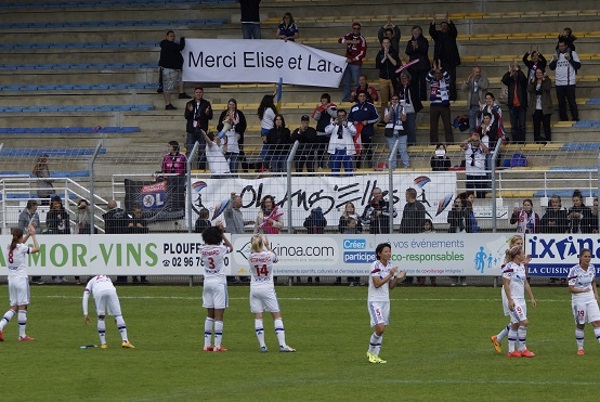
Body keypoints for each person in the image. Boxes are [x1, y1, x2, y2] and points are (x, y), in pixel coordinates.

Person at [248, 234, 295, 352]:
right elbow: (276, 258)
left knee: (258, 316)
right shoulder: (269, 255)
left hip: (254, 288)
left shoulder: (250, 257)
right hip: (267, 288)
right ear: (262, 244)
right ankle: (282, 345)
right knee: (276, 316)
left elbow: (255, 251)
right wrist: (268, 245)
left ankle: (263, 345)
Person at [366, 242, 405, 364]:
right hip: (375, 301)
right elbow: (377, 284)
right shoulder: (375, 265)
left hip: (385, 301)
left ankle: (375, 356)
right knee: (380, 329)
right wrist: (391, 274)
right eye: (386, 251)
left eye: (389, 251)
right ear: (379, 254)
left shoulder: (390, 265)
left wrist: (397, 279)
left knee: (382, 329)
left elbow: (390, 287)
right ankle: (370, 351)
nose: (389, 253)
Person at [0, 226, 40, 342]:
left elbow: (20, 244)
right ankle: (22, 335)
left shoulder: (9, 247)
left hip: (11, 279)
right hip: (21, 279)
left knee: (14, 307)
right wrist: (33, 235)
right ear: (20, 236)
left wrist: (27, 234)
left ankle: (0, 326)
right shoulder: (21, 247)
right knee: (22, 307)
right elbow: (37, 249)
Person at [200, 225, 233, 352]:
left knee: (210, 315)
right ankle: (217, 346)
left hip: (207, 282)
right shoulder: (220, 249)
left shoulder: (201, 249)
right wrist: (223, 234)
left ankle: (206, 344)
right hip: (219, 282)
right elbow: (231, 247)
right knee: (219, 315)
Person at [490, 235, 524, 354]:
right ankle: (516, 348)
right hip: (509, 291)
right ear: (511, 245)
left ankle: (498, 338)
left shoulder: (520, 259)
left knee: (517, 320)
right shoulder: (506, 258)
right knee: (517, 320)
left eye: (521, 244)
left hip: (517, 291)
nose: (520, 246)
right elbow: (504, 272)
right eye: (517, 243)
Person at [502, 244, 536, 358]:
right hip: (514, 300)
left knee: (515, 324)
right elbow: (505, 283)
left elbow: (525, 283)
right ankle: (523, 349)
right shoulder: (509, 267)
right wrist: (510, 300)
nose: (524, 255)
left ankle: (511, 351)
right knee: (524, 322)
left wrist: (531, 297)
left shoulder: (521, 266)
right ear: (517, 256)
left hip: (522, 300)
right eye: (522, 253)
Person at [82, 275, 135, 349]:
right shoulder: (106, 277)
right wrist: (115, 316)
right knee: (118, 315)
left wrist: (85, 313)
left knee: (101, 317)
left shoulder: (90, 282)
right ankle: (125, 341)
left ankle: (104, 344)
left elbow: (85, 296)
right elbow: (109, 289)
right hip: (111, 290)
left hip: (99, 292)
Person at [567, 248, 600, 356]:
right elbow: (570, 288)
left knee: (597, 322)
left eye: (589, 256)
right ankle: (580, 348)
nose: (587, 258)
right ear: (580, 257)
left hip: (590, 298)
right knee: (581, 324)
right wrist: (582, 290)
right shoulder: (574, 270)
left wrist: (595, 293)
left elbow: (593, 281)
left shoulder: (592, 268)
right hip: (579, 299)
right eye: (585, 256)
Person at [429, 13, 460, 101]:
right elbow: (431, 32)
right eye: (442, 26)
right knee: (439, 80)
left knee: (451, 80)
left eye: (445, 26)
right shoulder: (437, 35)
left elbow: (454, 30)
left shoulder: (451, 34)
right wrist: (433, 21)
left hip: (451, 62)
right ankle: (441, 96)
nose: (444, 27)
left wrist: (448, 21)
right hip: (440, 62)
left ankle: (453, 97)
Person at [549, 39, 581, 121]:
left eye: (562, 46)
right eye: (560, 46)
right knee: (561, 103)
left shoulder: (572, 53)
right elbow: (551, 67)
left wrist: (570, 59)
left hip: (569, 82)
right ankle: (563, 119)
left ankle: (575, 117)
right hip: (559, 83)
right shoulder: (556, 54)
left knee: (571, 102)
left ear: (566, 46)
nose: (561, 48)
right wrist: (555, 60)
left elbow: (578, 66)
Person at [158, 30, 188, 110]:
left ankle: (181, 93)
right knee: (168, 87)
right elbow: (180, 47)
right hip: (168, 69)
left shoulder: (170, 44)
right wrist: (182, 40)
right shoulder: (166, 44)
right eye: (171, 36)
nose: (173, 38)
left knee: (181, 79)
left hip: (176, 68)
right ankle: (168, 104)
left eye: (173, 36)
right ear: (167, 37)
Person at [348, 90, 379, 168]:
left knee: (368, 148)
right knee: (357, 148)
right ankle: (357, 166)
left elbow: (376, 118)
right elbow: (349, 118)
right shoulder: (353, 107)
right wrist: (353, 121)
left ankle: (370, 165)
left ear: (366, 97)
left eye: (363, 96)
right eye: (360, 96)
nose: (362, 97)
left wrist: (368, 122)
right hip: (357, 132)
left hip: (367, 131)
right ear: (358, 97)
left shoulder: (371, 106)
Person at [184, 86, 213, 170]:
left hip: (202, 130)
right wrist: (190, 111)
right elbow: (186, 116)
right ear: (194, 93)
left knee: (202, 150)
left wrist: (207, 113)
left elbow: (210, 116)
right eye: (197, 92)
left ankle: (201, 169)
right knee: (189, 150)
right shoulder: (189, 103)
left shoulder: (206, 103)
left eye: (200, 92)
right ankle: (187, 169)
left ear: (202, 93)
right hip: (191, 130)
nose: (198, 94)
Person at [338, 21, 367, 103]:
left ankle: (356, 100)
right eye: (354, 28)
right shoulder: (349, 35)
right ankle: (346, 99)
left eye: (358, 28)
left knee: (356, 82)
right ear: (352, 28)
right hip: (347, 62)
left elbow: (362, 53)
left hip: (356, 64)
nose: (356, 30)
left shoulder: (362, 39)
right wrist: (351, 42)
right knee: (346, 82)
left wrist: (353, 59)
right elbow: (340, 40)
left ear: (360, 29)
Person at [216, 98, 247, 174]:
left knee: (236, 163)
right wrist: (225, 121)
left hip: (236, 144)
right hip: (225, 146)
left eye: (233, 104)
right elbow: (219, 128)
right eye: (230, 104)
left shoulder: (239, 113)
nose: (231, 106)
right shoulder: (224, 113)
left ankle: (245, 169)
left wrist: (233, 119)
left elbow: (242, 127)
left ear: (235, 105)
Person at [427, 60, 453, 144]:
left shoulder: (446, 81)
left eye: (439, 73)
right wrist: (433, 69)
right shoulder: (432, 81)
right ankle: (434, 143)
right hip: (434, 105)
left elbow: (447, 76)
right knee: (433, 126)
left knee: (447, 125)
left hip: (444, 106)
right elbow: (427, 78)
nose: (438, 75)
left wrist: (441, 68)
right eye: (436, 73)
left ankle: (450, 143)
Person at [103, 200, 129, 283]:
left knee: (118, 260)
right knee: (123, 259)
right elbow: (128, 222)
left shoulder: (108, 215)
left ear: (108, 206)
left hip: (114, 239)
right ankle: (123, 278)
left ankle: (119, 278)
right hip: (124, 238)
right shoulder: (123, 213)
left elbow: (108, 228)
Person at [501, 63, 528, 143]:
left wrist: (518, 70)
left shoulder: (522, 82)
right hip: (512, 106)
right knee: (514, 126)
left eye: (516, 71)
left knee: (522, 126)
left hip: (521, 106)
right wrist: (509, 72)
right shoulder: (510, 81)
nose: (515, 73)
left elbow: (523, 78)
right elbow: (504, 80)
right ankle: (515, 141)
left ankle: (522, 142)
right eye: (514, 71)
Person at [18, 199, 43, 285]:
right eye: (35, 205)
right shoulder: (22, 215)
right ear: (31, 206)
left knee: (36, 258)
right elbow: (20, 228)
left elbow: (39, 227)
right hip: (26, 238)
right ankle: (26, 277)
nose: (37, 207)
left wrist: (35, 231)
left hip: (34, 237)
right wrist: (28, 231)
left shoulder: (36, 215)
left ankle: (36, 277)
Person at [325, 108, 356, 176]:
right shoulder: (333, 123)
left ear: (346, 116)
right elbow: (326, 131)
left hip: (346, 149)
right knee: (335, 170)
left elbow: (354, 132)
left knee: (349, 170)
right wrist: (334, 124)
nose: (341, 118)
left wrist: (346, 125)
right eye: (339, 116)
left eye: (343, 116)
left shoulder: (349, 124)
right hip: (335, 149)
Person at [46, 195, 70, 283]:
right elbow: (48, 224)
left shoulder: (64, 213)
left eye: (58, 203)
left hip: (63, 235)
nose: (57, 205)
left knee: (62, 257)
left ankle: (62, 275)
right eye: (55, 203)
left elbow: (67, 224)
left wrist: (68, 234)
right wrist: (57, 219)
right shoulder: (50, 213)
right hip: (54, 236)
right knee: (55, 257)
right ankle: (54, 276)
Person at [338, 202, 363, 286]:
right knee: (349, 261)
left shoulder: (357, 216)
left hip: (356, 243)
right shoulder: (343, 217)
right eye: (348, 207)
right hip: (348, 243)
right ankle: (350, 279)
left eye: (351, 207)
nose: (349, 208)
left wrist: (356, 222)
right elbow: (340, 229)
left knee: (357, 262)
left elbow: (360, 228)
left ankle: (357, 279)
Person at [405, 25, 431, 101]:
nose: (415, 32)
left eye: (417, 31)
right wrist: (413, 48)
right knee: (414, 83)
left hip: (423, 65)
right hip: (413, 66)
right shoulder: (410, 41)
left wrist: (417, 47)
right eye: (414, 31)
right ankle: (415, 99)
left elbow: (424, 51)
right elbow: (407, 51)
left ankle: (423, 99)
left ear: (420, 32)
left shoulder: (424, 40)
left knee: (423, 83)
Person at [376, 38, 399, 121]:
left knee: (394, 99)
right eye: (384, 43)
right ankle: (383, 119)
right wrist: (384, 57)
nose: (386, 44)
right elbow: (378, 65)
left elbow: (395, 63)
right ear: (382, 44)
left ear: (390, 44)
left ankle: (395, 117)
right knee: (384, 101)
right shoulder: (379, 54)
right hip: (383, 78)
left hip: (392, 78)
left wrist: (388, 55)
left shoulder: (394, 52)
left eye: (387, 43)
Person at [311, 93, 337, 169]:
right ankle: (320, 165)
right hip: (320, 131)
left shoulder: (333, 106)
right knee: (320, 150)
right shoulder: (319, 107)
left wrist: (327, 109)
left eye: (325, 99)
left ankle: (330, 166)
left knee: (330, 150)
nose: (324, 100)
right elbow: (315, 118)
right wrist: (319, 110)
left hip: (330, 132)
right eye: (323, 98)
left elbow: (335, 115)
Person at [383, 94, 409, 169]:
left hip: (401, 133)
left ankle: (406, 166)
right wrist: (391, 112)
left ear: (398, 101)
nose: (394, 101)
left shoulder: (402, 108)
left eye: (396, 99)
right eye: (393, 99)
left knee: (403, 150)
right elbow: (386, 120)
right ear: (391, 101)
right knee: (392, 151)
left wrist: (400, 112)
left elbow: (404, 119)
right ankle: (392, 167)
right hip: (390, 133)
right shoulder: (387, 109)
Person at [397, 71, 422, 146]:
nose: (403, 80)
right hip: (402, 111)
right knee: (403, 128)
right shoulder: (398, 88)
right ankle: (404, 144)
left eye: (405, 78)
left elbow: (414, 78)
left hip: (411, 110)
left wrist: (406, 69)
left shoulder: (412, 86)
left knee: (411, 127)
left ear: (408, 79)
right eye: (402, 78)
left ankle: (412, 144)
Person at [527, 69, 553, 143]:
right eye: (537, 73)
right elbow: (529, 89)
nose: (538, 74)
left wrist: (543, 80)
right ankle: (536, 140)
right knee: (536, 125)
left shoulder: (547, 80)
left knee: (546, 125)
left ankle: (548, 140)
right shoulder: (533, 81)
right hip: (535, 107)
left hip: (545, 107)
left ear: (543, 73)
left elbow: (548, 88)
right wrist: (532, 82)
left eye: (540, 73)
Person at [461, 66, 489, 133]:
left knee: (481, 125)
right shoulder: (470, 79)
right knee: (472, 126)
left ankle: (481, 140)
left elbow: (485, 86)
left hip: (482, 106)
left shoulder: (484, 79)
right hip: (472, 106)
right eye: (476, 72)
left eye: (479, 72)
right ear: (473, 72)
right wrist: (467, 82)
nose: (478, 73)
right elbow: (463, 89)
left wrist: (478, 81)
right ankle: (473, 142)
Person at [460, 133, 488, 199]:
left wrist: (480, 141)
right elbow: (461, 145)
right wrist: (469, 139)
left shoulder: (482, 147)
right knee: (469, 196)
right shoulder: (468, 146)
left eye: (476, 141)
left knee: (481, 195)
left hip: (481, 174)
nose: (475, 142)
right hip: (470, 174)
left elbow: (487, 151)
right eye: (473, 141)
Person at [128, 206, 149, 284]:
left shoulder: (143, 221)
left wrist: (142, 227)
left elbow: (146, 230)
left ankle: (143, 278)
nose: (139, 214)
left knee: (143, 261)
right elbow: (126, 231)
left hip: (142, 243)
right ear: (134, 212)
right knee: (134, 261)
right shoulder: (130, 220)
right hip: (132, 244)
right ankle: (134, 277)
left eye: (140, 212)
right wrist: (129, 227)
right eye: (137, 212)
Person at [258, 95, 277, 171]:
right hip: (269, 131)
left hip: (263, 130)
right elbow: (275, 118)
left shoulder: (262, 110)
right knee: (270, 150)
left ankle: (265, 165)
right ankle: (267, 166)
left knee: (265, 148)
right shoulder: (269, 110)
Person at [417, 219, 437, 286]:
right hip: (423, 253)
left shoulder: (434, 233)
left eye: (428, 224)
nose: (426, 226)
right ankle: (422, 281)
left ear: (430, 225)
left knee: (432, 267)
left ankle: (433, 281)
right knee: (422, 267)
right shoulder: (420, 234)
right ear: (423, 226)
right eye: (425, 225)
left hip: (431, 253)